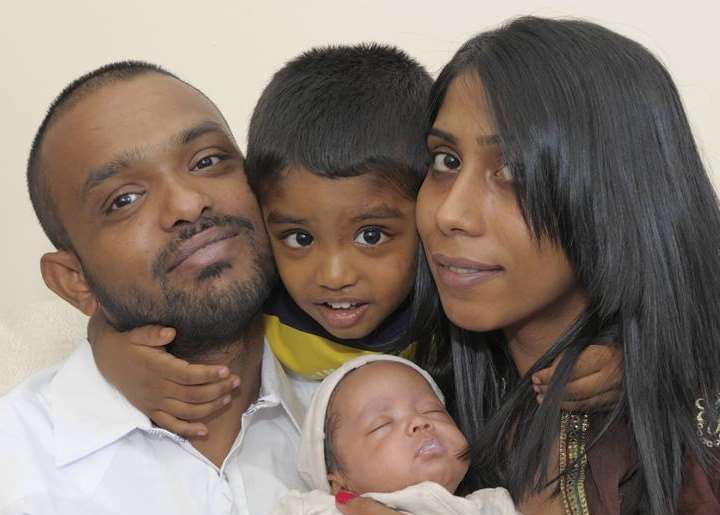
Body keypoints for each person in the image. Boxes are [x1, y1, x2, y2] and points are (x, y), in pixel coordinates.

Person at [335, 16, 720, 515]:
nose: (449, 212)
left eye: (514, 171)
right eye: (445, 160)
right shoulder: (419, 411)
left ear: (620, 191)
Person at [88, 44, 623, 438]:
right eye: (298, 236)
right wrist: (111, 354)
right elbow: (152, 316)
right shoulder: (264, 292)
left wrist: (622, 365)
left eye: (371, 235)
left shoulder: (454, 305)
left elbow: (619, 309)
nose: (334, 274)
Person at [0, 62, 317, 515]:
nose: (188, 204)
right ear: (75, 281)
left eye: (208, 161)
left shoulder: (379, 415)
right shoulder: (13, 468)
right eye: (124, 198)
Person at [256, 354, 553, 515]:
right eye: (382, 424)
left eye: (433, 411)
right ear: (339, 482)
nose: (420, 422)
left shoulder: (495, 512)